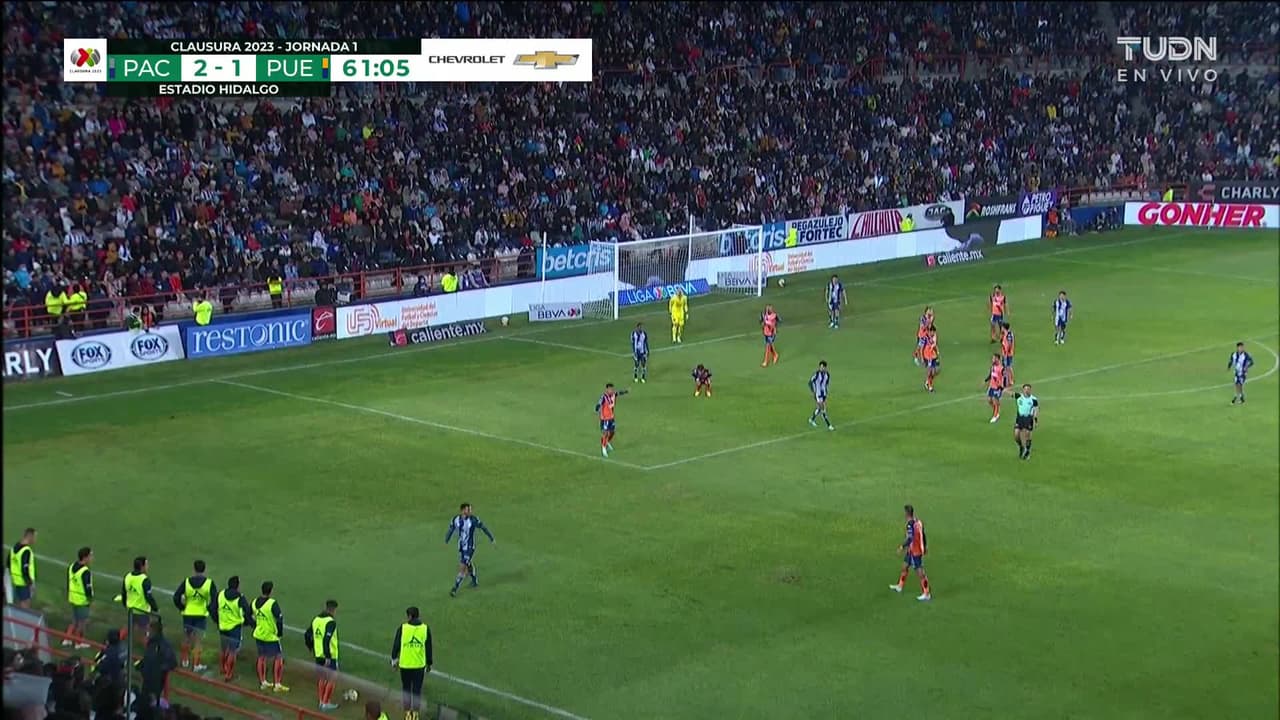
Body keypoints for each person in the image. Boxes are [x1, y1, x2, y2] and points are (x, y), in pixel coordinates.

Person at [173, 560, 216, 673]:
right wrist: (209, 609)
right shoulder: (209, 583)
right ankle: (196, 665)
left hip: (188, 614)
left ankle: (184, 661)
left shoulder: (187, 582)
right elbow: (214, 600)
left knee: (186, 638)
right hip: (201, 615)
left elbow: (176, 597)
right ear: (204, 569)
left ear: (194, 569)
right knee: (198, 641)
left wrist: (182, 607)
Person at [390, 606, 432, 720]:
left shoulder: (403, 628)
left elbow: (396, 645)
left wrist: (394, 659)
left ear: (409, 616)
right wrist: (429, 663)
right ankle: (416, 714)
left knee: (406, 689)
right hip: (419, 666)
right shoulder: (425, 628)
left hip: (405, 665)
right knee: (417, 690)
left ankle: (408, 713)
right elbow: (428, 647)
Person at [445, 503, 495, 597]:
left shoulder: (473, 520)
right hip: (461, 546)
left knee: (463, 567)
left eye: (470, 510)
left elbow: (483, 528)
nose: (470, 511)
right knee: (468, 564)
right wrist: (446, 540)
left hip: (469, 547)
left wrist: (491, 538)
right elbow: (451, 529)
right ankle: (474, 581)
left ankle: (454, 589)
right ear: (463, 510)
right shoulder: (456, 519)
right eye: (468, 510)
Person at [214, 575, 253, 682]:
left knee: (223, 649)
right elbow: (248, 612)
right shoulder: (240, 597)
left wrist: (217, 620)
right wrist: (251, 623)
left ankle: (222, 668)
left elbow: (213, 608)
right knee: (232, 651)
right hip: (234, 628)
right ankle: (229, 674)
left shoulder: (221, 594)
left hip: (222, 626)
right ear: (237, 586)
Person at [252, 581, 288, 692]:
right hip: (271, 636)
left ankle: (263, 682)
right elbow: (279, 619)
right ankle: (277, 684)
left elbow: (249, 615)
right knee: (278, 658)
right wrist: (280, 633)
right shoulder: (272, 603)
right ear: (271, 591)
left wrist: (256, 626)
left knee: (261, 658)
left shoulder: (254, 602)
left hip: (259, 634)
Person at [890, 504, 931, 601]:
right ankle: (900, 586)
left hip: (915, 551)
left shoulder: (910, 525)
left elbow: (910, 538)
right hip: (912, 550)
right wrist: (925, 546)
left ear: (907, 513)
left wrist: (902, 547)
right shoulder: (918, 522)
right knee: (905, 566)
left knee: (920, 572)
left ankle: (926, 593)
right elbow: (923, 534)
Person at [304, 600, 339, 711]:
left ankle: (321, 701)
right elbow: (326, 640)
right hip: (329, 656)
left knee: (322, 678)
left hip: (318, 655)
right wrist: (328, 656)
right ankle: (325, 703)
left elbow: (307, 634)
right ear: (333, 610)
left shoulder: (316, 619)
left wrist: (310, 647)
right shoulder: (331, 622)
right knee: (332, 678)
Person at [139, 620, 178, 709]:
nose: (147, 632)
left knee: (151, 705)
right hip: (147, 680)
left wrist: (158, 669)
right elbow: (148, 658)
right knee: (144, 703)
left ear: (154, 631)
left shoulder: (163, 645)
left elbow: (172, 662)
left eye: (149, 630)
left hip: (156, 682)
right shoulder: (151, 643)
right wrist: (141, 665)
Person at [120, 556, 158, 644]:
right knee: (145, 631)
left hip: (131, 609)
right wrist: (155, 608)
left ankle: (116, 640)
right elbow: (148, 597)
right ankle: (147, 649)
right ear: (142, 566)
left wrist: (125, 604)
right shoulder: (145, 580)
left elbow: (124, 592)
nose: (147, 566)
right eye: (146, 564)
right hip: (142, 610)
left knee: (129, 627)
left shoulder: (128, 576)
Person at [64, 546, 93, 649]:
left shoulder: (72, 566)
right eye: (90, 556)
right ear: (85, 557)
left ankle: (67, 639)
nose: (92, 558)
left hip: (73, 598)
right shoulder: (85, 571)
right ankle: (78, 643)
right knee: (82, 623)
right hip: (82, 600)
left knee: (74, 621)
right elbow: (87, 588)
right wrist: (90, 599)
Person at [595, 383, 628, 458]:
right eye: (610, 389)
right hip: (605, 418)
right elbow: (599, 403)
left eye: (612, 389)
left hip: (611, 417)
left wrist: (626, 391)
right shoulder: (604, 397)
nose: (611, 390)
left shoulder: (613, 394)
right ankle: (603, 448)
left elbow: (619, 393)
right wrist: (597, 408)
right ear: (607, 389)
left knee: (612, 432)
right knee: (606, 433)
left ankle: (607, 442)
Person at [8, 527, 36, 608]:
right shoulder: (26, 551)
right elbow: (25, 570)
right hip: (23, 583)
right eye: (34, 537)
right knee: (25, 607)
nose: (35, 539)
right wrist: (30, 584)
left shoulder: (14, 547)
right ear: (30, 536)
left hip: (15, 581)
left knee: (17, 606)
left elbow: (9, 564)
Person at [1014, 383, 1040, 460]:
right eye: (1025, 389)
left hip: (1028, 418)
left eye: (1028, 389)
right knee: (1016, 435)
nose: (1026, 390)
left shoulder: (1033, 399)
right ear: (1023, 390)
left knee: (1027, 434)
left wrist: (1036, 420)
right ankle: (1021, 447)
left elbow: (1036, 409)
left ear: (1030, 390)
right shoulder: (1019, 396)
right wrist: (1003, 388)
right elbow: (1009, 392)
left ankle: (1027, 451)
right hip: (1020, 418)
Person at [808, 361, 834, 430]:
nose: (821, 368)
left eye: (823, 367)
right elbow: (810, 382)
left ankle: (812, 419)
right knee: (823, 409)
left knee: (819, 409)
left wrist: (826, 392)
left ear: (825, 367)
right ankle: (829, 425)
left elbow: (826, 384)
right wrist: (813, 391)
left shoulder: (827, 375)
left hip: (824, 394)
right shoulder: (816, 374)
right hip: (818, 394)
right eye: (820, 367)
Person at [984, 353, 1005, 423]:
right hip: (991, 386)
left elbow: (1004, 378)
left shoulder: (1001, 368)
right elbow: (991, 375)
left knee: (995, 401)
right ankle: (997, 410)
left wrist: (1001, 386)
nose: (992, 359)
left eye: (994, 358)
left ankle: (995, 416)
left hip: (998, 387)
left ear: (998, 359)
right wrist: (985, 380)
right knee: (989, 400)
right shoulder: (993, 366)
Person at [922, 326, 940, 393]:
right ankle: (930, 387)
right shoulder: (926, 337)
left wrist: (937, 352)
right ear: (930, 331)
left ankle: (927, 381)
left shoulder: (934, 337)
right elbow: (922, 347)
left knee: (936, 371)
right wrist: (922, 357)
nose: (934, 333)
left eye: (934, 332)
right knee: (930, 372)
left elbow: (934, 345)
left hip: (934, 356)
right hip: (928, 357)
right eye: (933, 332)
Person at [1000, 322, 1016, 387]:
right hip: (1006, 353)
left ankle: (1011, 380)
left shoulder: (1008, 334)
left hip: (1007, 354)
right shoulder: (1006, 333)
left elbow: (1009, 344)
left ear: (1004, 327)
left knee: (1008, 367)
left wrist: (1006, 353)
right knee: (1007, 367)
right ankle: (1009, 380)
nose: (1001, 328)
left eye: (1002, 327)